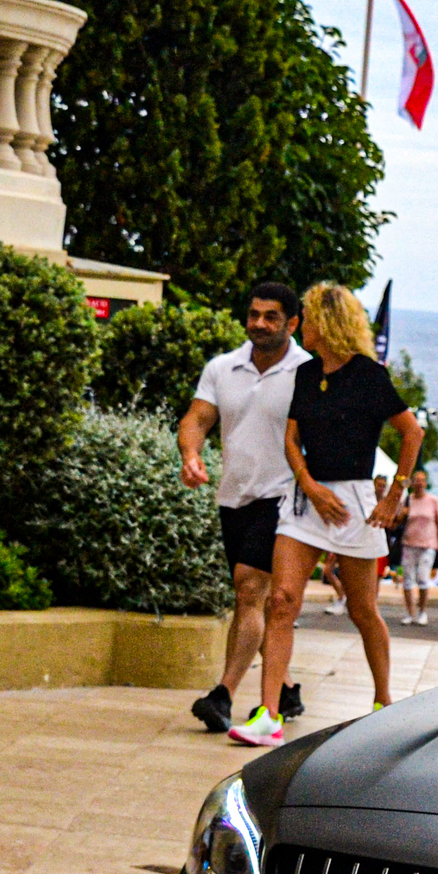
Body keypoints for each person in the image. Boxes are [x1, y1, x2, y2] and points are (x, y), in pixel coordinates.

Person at [230, 284, 421, 747]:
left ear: (329, 323)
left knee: (363, 610)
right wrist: (311, 487)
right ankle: (268, 715)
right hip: (306, 501)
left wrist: (394, 495)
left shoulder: (369, 377)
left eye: (308, 318)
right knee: (282, 601)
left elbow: (411, 432)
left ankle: (383, 702)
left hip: (354, 503)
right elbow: (292, 440)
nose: (302, 327)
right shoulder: (307, 373)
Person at [179, 281, 310, 734]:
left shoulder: (308, 372)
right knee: (249, 599)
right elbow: (197, 418)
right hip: (233, 495)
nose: (259, 323)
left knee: (249, 588)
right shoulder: (223, 367)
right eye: (254, 314)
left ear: (293, 324)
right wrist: (190, 455)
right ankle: (288, 689)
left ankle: (224, 695)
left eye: (271, 316)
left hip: (283, 496)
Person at [397, 469, 438, 626]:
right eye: (416, 480)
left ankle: (422, 610)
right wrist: (403, 513)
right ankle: (410, 612)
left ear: (425, 483)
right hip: (409, 543)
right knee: (408, 579)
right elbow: (397, 520)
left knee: (423, 578)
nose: (419, 483)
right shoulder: (408, 500)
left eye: (421, 480)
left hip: (427, 544)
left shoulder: (432, 500)